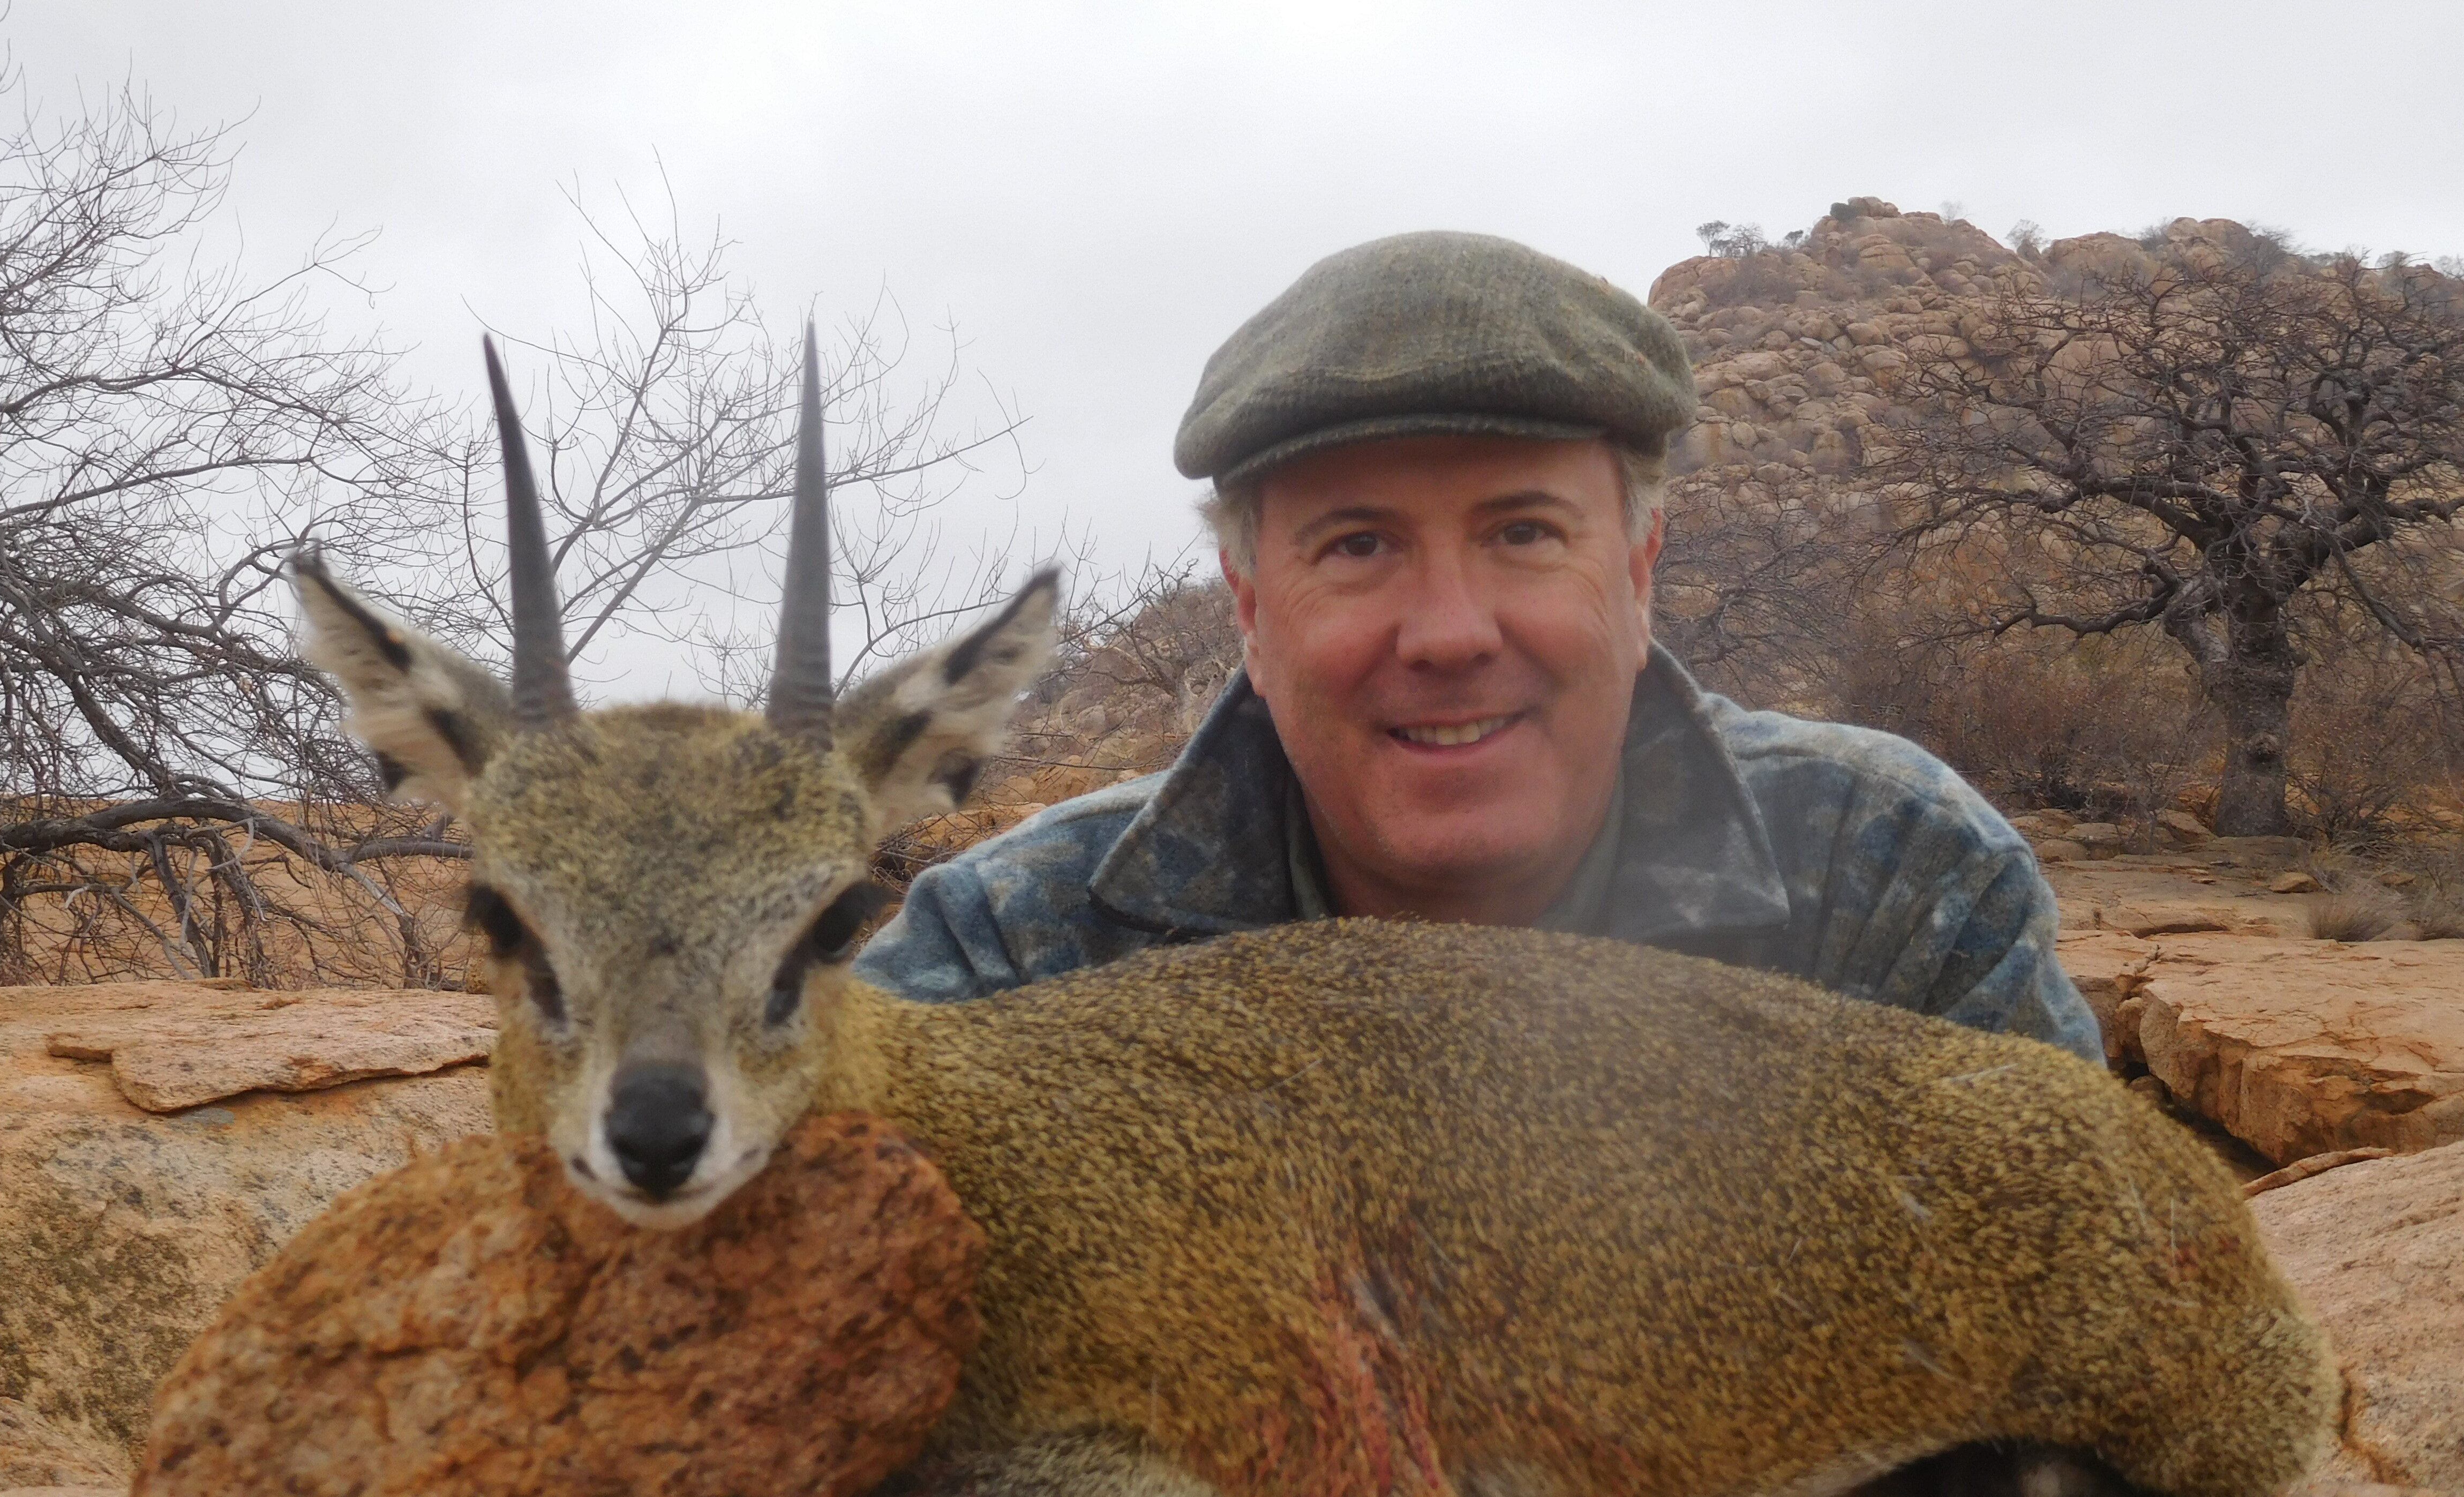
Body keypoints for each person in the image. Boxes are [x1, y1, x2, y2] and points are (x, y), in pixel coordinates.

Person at [858, 230, 2101, 1065]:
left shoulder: (1894, 878)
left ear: (1637, 565)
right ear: (1246, 597)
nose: (1451, 633)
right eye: (1356, 546)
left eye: (1522, 531)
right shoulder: (1023, 950)